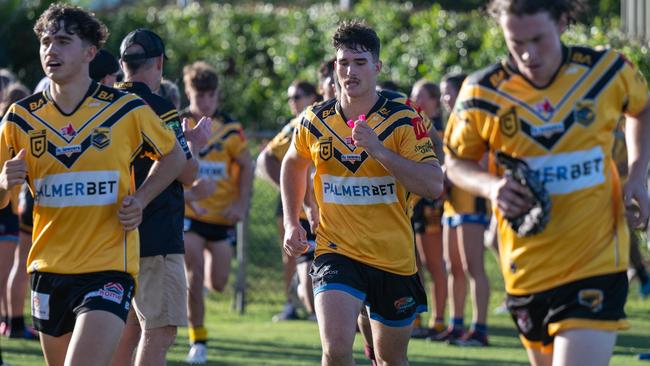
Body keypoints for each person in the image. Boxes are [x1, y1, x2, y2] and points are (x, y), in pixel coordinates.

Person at [444, 0, 650, 364]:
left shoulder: (606, 71)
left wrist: (637, 174)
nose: (527, 53)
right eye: (515, 42)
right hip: (525, 268)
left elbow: (642, 108)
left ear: (563, 22)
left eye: (538, 39)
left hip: (597, 262)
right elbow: (456, 161)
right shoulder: (481, 93)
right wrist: (491, 187)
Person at [0, 4, 186, 365]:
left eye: (63, 41)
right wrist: (5, 184)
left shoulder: (124, 109)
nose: (51, 50)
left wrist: (143, 199)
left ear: (90, 52)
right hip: (48, 270)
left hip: (107, 270)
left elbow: (175, 156)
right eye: (46, 42)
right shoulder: (19, 118)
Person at [281, 20, 443, 365]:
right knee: (336, 350)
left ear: (377, 68)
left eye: (359, 62)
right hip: (336, 251)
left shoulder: (403, 118)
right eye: (343, 63)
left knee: (389, 360)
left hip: (393, 259)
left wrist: (380, 151)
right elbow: (292, 163)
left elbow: (432, 184)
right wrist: (291, 220)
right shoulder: (314, 119)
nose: (350, 71)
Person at [110, 28, 210, 366]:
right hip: (155, 235)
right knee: (160, 330)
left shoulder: (103, 102)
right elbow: (186, 171)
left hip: (109, 235)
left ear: (123, 63)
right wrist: (193, 144)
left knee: (125, 330)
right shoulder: (158, 105)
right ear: (159, 62)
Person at [181, 61, 254, 364]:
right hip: (190, 216)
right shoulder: (180, 123)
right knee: (194, 275)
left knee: (219, 283)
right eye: (200, 97)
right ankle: (198, 339)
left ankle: (201, 297)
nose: (206, 102)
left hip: (221, 218)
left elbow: (248, 165)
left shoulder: (231, 129)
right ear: (189, 94)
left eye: (211, 96)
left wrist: (240, 204)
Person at [257, 80, 320, 322]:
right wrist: (290, 190)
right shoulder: (298, 124)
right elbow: (266, 158)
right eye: (290, 97)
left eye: (298, 96)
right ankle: (292, 302)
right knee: (292, 257)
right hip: (302, 211)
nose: (293, 102)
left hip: (332, 208)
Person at [408, 79, 448, 339]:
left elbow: (442, 155)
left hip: (431, 201)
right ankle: (416, 318)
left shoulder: (440, 130)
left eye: (423, 97)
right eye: (414, 96)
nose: (418, 102)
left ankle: (440, 320)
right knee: (415, 264)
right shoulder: (409, 120)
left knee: (435, 263)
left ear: (435, 101)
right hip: (412, 200)